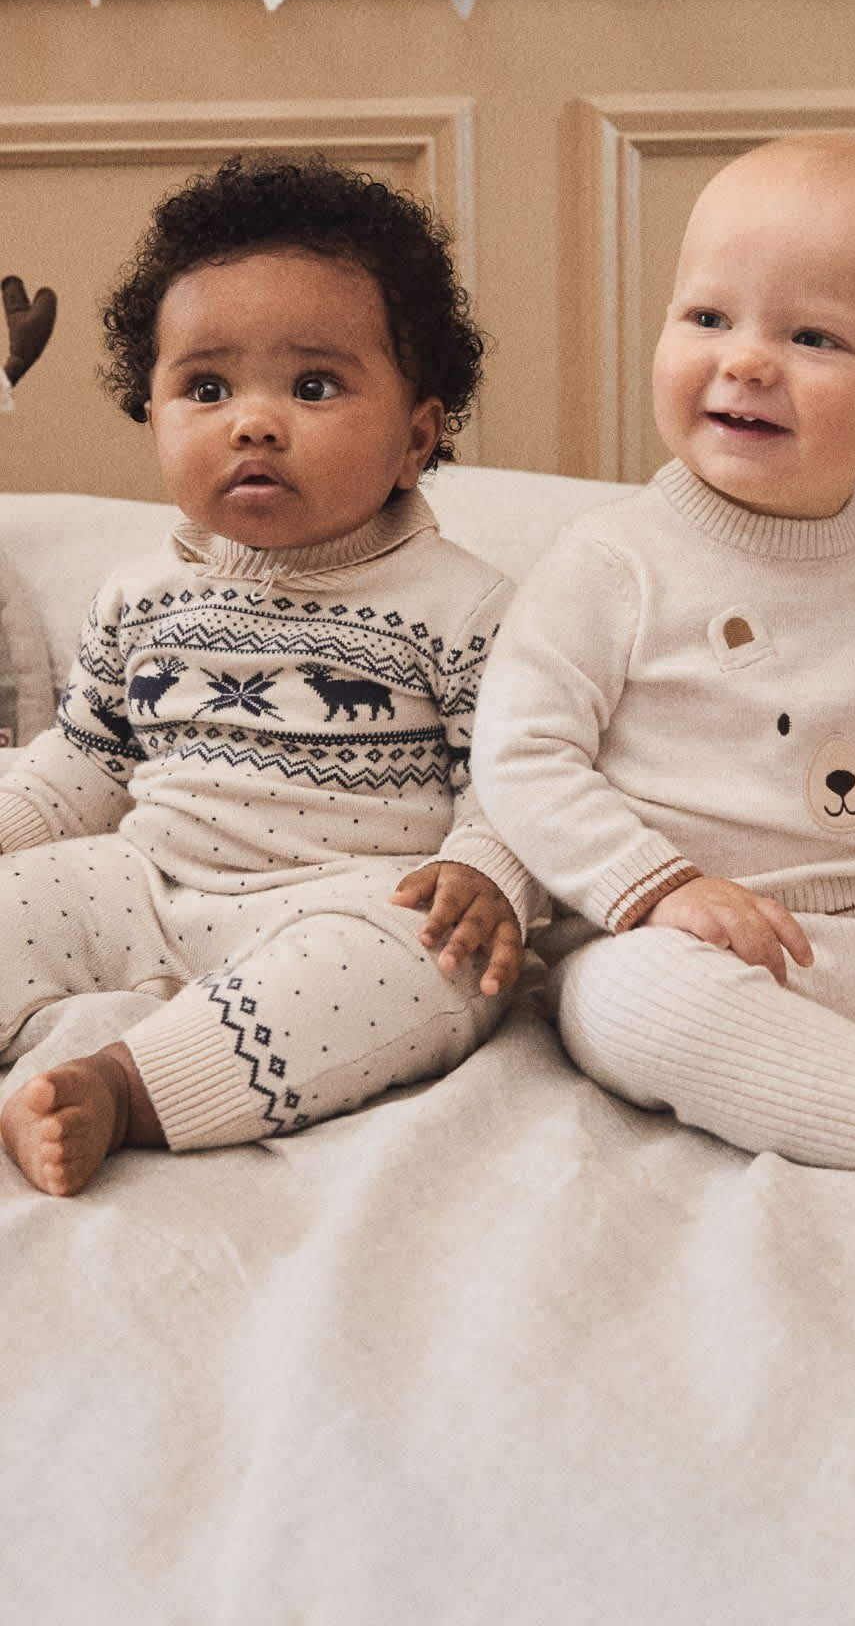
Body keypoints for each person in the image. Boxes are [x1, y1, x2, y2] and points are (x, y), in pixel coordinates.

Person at [472, 133, 855, 1218]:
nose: (744, 360)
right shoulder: (614, 562)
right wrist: (660, 888)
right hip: (699, 945)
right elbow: (520, 753)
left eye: (813, 336)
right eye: (706, 318)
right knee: (621, 1008)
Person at [0, 155, 533, 1197]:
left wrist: (488, 871)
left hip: (351, 902)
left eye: (314, 386)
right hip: (145, 883)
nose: (253, 420)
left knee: (436, 968)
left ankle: (124, 1088)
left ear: (416, 436)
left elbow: (519, 777)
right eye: (206, 388)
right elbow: (82, 764)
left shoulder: (466, 608)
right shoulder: (137, 595)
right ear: (153, 416)